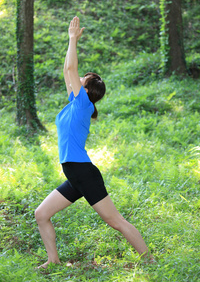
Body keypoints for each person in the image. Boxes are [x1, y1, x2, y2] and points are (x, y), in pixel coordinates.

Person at [35, 16, 152, 269]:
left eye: (82, 79)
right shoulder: (75, 104)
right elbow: (67, 71)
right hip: (73, 173)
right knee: (41, 214)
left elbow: (69, 70)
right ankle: (53, 260)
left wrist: (72, 39)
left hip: (83, 172)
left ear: (86, 89)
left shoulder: (83, 104)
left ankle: (150, 260)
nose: (76, 80)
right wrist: (71, 44)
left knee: (115, 221)